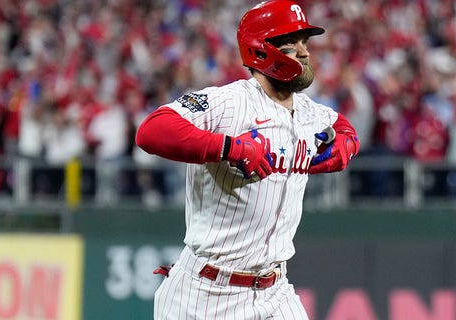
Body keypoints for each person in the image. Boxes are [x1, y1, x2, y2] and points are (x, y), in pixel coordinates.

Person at [134, 1, 360, 319]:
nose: (304, 52)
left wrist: (346, 145)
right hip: (205, 292)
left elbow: (342, 126)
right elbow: (151, 131)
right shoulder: (229, 102)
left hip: (274, 290)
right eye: (291, 43)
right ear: (262, 48)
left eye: (305, 42)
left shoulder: (310, 111)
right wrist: (229, 147)